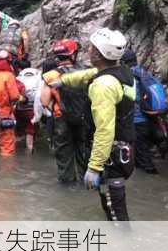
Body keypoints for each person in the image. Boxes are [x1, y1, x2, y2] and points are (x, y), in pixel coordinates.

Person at [57, 28, 136, 221]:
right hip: (123, 146)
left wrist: (93, 167)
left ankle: (126, 246)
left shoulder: (103, 86)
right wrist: (63, 81)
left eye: (92, 48)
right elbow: (88, 74)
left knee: (115, 211)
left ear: (99, 54)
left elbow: (104, 130)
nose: (88, 50)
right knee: (111, 204)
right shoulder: (121, 70)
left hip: (111, 154)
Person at [41, 39, 91, 183]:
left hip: (61, 119)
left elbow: (44, 101)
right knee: (84, 152)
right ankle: (85, 182)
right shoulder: (86, 71)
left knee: (64, 156)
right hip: (84, 118)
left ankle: (67, 184)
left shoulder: (51, 75)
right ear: (73, 54)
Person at [121, 50, 161, 174]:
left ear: (123, 62)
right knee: (141, 151)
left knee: (143, 155)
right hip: (149, 117)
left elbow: (130, 98)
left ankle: (152, 177)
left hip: (137, 119)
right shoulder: (144, 72)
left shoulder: (129, 76)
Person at [15, 67, 41, 153]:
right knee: (30, 131)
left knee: (17, 131)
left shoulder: (18, 78)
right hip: (31, 110)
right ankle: (29, 151)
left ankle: (14, 150)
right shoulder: (39, 77)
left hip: (18, 109)